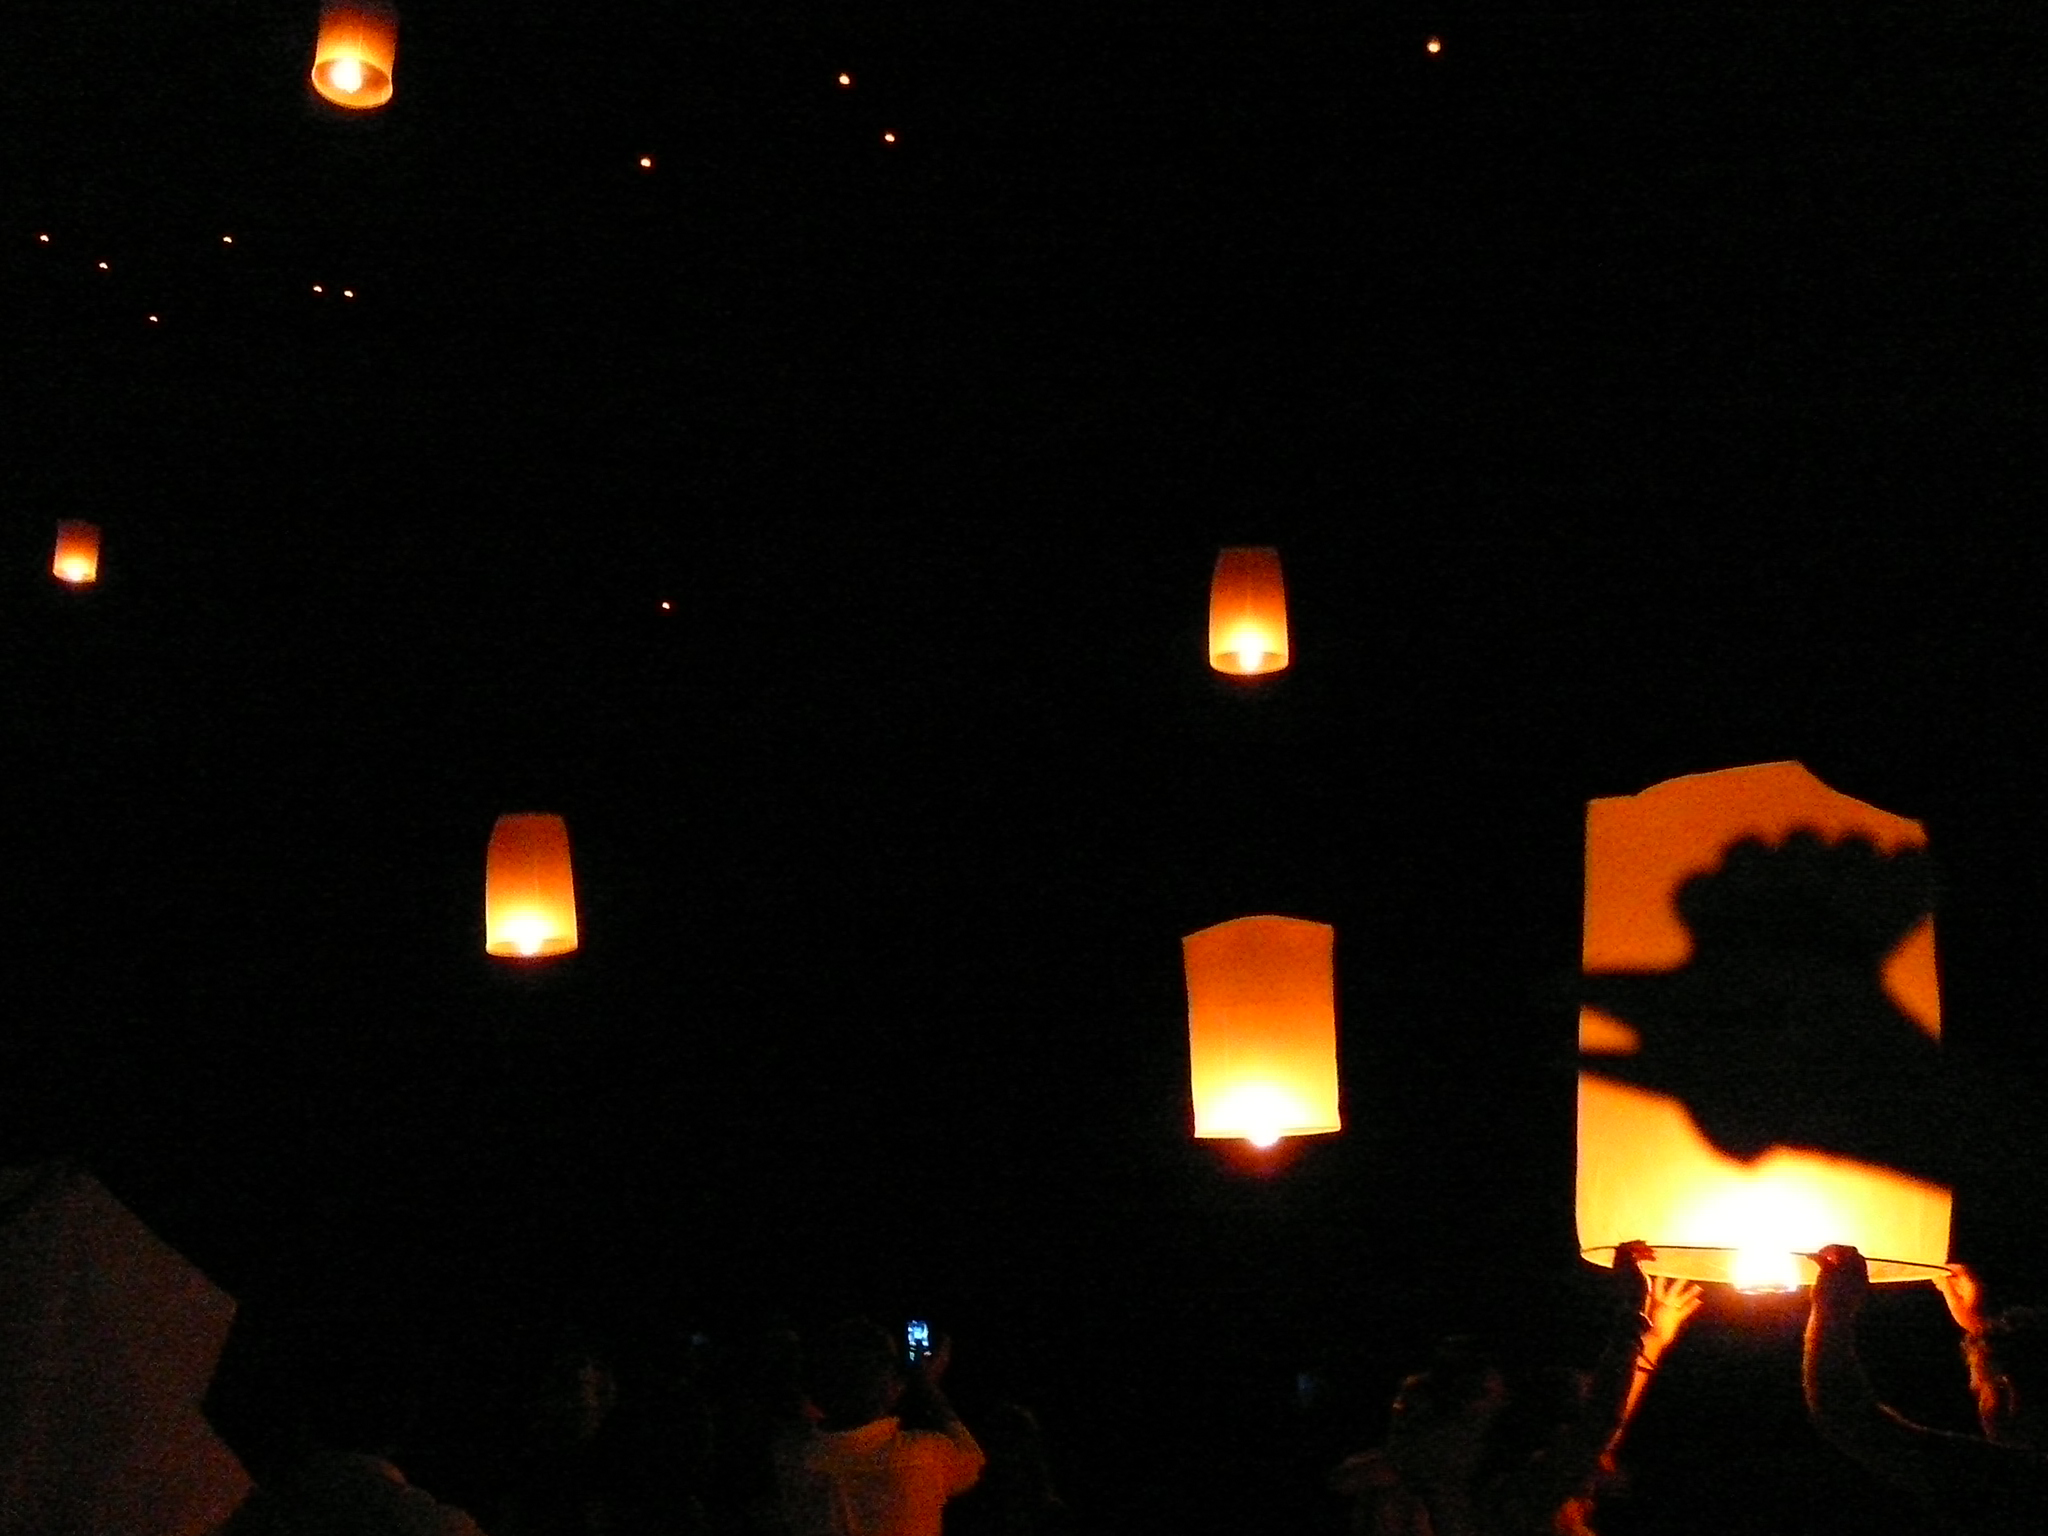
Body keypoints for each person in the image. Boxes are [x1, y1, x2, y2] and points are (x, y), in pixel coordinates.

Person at [1329, 1242, 1700, 1536]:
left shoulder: (1423, 1485)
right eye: (1487, 1407)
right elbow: (1596, 1426)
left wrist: (1646, 1335)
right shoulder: (1503, 1506)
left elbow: (1597, 1428)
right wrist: (1633, 1319)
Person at [1804, 1243, 2048, 1534]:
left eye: (1980, 1391)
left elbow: (1849, 1416)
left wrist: (1833, 1310)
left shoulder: (2005, 1482)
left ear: (2009, 1395)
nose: (1979, 1403)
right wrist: (1986, 1332)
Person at [772, 1319, 983, 1536]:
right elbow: (971, 1460)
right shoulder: (922, 1456)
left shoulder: (791, 1457)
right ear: (891, 1386)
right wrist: (927, 1386)